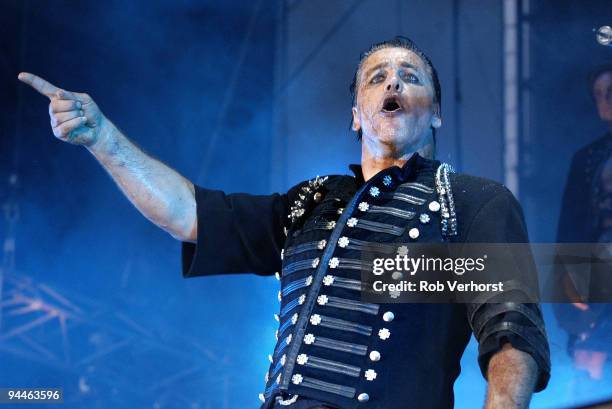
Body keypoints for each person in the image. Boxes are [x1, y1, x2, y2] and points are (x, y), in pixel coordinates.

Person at [18, 36, 550, 409]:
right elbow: (187, 213)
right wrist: (104, 140)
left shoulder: (469, 200)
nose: (394, 83)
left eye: (410, 77)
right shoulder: (309, 203)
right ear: (356, 114)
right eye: (377, 77)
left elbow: (511, 333)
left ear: (435, 111)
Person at [554, 64, 612, 381]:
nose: (605, 101)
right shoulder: (587, 158)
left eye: (611, 92)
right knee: (591, 374)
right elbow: (570, 230)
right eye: (599, 95)